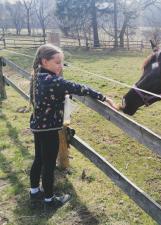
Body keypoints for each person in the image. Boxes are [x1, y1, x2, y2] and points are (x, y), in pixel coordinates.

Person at [29, 44, 118, 209]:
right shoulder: (54, 81)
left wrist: (63, 94)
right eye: (57, 62)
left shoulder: (37, 76)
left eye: (61, 62)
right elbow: (81, 88)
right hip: (48, 129)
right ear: (44, 61)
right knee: (48, 164)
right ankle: (49, 200)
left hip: (37, 126)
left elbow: (52, 94)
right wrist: (105, 98)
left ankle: (34, 192)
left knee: (39, 159)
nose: (60, 66)